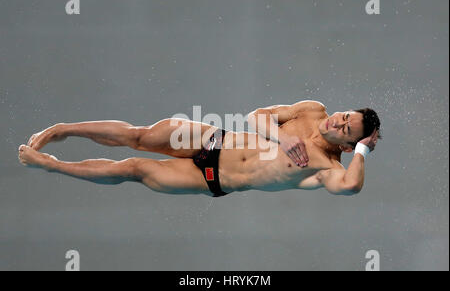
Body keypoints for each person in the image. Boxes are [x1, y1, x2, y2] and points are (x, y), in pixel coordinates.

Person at [18, 100, 381, 197]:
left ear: (348, 146)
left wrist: (365, 150)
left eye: (347, 130)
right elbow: (256, 116)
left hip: (212, 177)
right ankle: (61, 129)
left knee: (133, 168)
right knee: (139, 135)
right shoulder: (311, 110)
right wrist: (283, 137)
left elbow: (350, 186)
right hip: (214, 138)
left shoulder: (326, 168)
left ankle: (51, 165)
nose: (336, 122)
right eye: (344, 115)